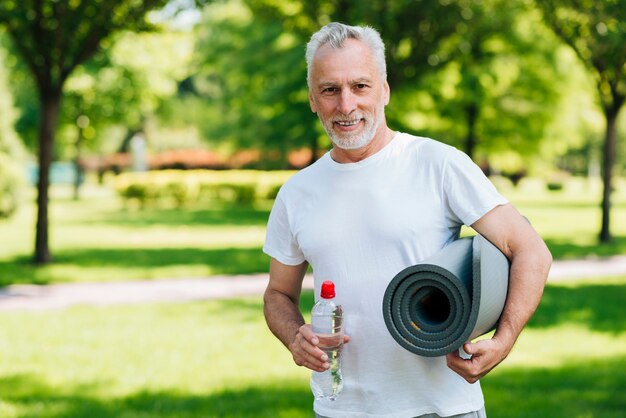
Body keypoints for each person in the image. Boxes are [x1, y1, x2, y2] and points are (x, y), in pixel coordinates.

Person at [263, 22, 552, 418]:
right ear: (313, 99)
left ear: (384, 90)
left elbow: (530, 250)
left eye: (360, 86)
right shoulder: (296, 193)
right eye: (330, 90)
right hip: (341, 409)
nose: (346, 105)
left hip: (444, 408)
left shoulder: (438, 164)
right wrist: (295, 337)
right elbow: (278, 294)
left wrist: (504, 339)